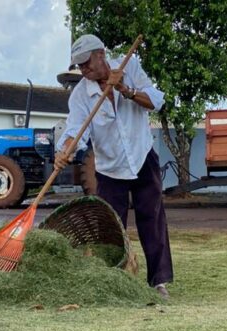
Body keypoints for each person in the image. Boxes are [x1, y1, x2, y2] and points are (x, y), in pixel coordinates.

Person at [54, 34, 173, 299]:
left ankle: (158, 282)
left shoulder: (129, 67)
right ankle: (113, 280)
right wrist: (64, 151)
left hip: (142, 157)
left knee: (152, 221)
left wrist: (125, 90)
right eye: (79, 66)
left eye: (87, 63)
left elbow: (156, 101)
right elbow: (76, 130)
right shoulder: (80, 96)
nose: (84, 70)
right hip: (109, 169)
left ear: (101, 55)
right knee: (110, 229)